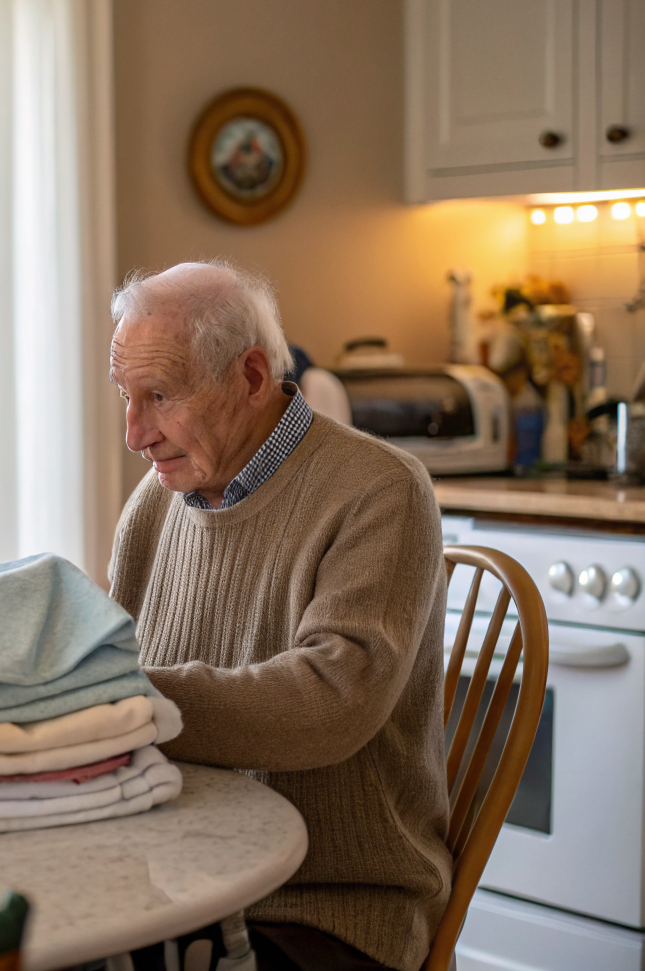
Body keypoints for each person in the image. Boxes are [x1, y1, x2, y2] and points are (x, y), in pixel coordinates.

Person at [106, 261, 450, 971]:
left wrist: (116, 702)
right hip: (176, 877)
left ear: (252, 377)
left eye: (160, 396)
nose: (135, 433)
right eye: (125, 396)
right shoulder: (157, 499)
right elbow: (112, 664)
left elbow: (330, 703)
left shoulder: (379, 491)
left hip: (325, 904)